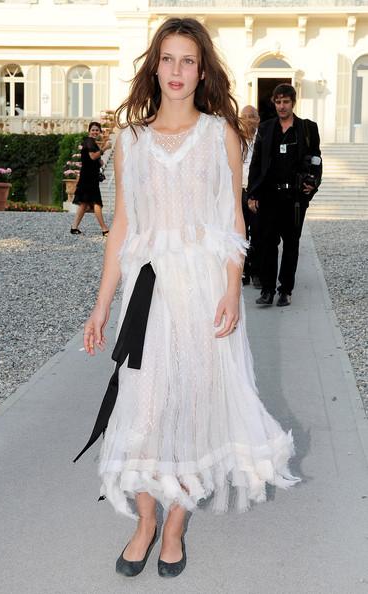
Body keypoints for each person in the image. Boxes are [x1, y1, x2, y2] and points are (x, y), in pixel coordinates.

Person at [75, 18, 299, 579]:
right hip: (148, 292)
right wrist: (102, 304)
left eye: (188, 61)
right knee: (145, 405)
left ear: (203, 71)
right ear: (155, 65)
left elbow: (231, 220)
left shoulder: (220, 133)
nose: (177, 72)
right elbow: (122, 225)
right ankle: (145, 522)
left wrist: (230, 288)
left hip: (204, 292)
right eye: (168, 59)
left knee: (194, 402)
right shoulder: (131, 140)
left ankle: (174, 524)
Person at [248, 84, 322, 306]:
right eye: (278, 102)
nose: (281, 106)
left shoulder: (307, 129)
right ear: (274, 102)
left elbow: (316, 159)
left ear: (293, 102)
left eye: (286, 102)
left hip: (295, 199)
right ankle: (268, 290)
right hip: (270, 196)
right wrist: (252, 193)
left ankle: (285, 290)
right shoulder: (266, 128)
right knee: (267, 244)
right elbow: (256, 163)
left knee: (291, 245)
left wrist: (314, 182)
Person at [71, 121, 112, 236]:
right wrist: (105, 148)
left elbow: (94, 159)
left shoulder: (91, 142)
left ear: (99, 132)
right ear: (89, 131)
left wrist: (100, 160)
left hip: (88, 177)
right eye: (93, 130)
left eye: (97, 130)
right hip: (88, 178)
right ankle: (104, 229)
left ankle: (74, 227)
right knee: (97, 203)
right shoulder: (89, 141)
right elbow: (93, 156)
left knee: (84, 204)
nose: (95, 132)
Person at [240, 105, 262, 288]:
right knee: (240, 233)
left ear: (258, 119)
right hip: (239, 192)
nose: (248, 120)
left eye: (251, 116)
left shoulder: (262, 140)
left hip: (256, 192)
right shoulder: (235, 140)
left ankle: (256, 271)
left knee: (257, 233)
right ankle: (243, 270)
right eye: (244, 116)